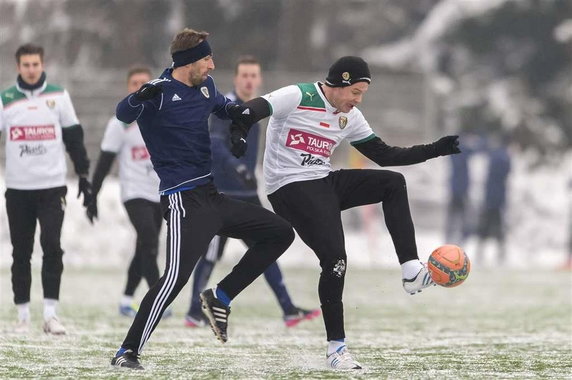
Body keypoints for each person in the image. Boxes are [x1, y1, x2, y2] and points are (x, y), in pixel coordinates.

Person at [229, 56, 461, 369]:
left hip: (322, 182)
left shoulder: (350, 117)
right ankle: (336, 350)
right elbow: (250, 110)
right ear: (339, 83)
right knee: (336, 259)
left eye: (362, 94)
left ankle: (410, 270)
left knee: (393, 184)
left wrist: (437, 148)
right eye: (355, 91)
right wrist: (239, 132)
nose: (358, 100)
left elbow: (385, 155)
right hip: (287, 187)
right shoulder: (299, 95)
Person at [110, 28, 294, 370]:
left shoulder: (207, 87)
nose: (212, 64)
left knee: (281, 232)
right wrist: (139, 96)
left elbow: (231, 111)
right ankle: (127, 351)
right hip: (183, 202)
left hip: (212, 196)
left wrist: (241, 130)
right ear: (188, 62)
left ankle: (219, 296)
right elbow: (122, 113)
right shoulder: (160, 93)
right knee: (174, 279)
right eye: (207, 58)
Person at [185, 55, 319, 328]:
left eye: (253, 75)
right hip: (220, 193)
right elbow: (216, 143)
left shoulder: (259, 108)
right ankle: (193, 313)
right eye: (244, 75)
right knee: (210, 254)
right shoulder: (227, 108)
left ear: (259, 80)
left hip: (247, 193)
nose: (248, 80)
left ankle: (288, 309)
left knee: (268, 246)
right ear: (236, 79)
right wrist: (238, 168)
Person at [0, 44, 92, 335]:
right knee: (21, 252)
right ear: (18, 67)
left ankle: (50, 315)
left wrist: (84, 174)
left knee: (52, 246)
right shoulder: (5, 99)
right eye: (25, 64)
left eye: (35, 64)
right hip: (18, 189)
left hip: (52, 188)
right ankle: (23, 316)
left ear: (42, 65)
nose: (30, 69)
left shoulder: (59, 96)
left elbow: (74, 138)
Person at [86, 66, 168, 318]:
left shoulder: (162, 119)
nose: (140, 87)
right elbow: (104, 161)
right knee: (149, 241)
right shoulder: (120, 123)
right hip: (134, 193)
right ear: (128, 88)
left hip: (160, 192)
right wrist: (93, 195)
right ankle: (158, 300)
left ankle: (126, 299)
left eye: (144, 83)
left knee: (145, 246)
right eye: (134, 83)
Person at [475, 134, 511, 264]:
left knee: (488, 227)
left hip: (493, 199)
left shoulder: (498, 156)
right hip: (496, 198)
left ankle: (489, 253)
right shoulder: (504, 156)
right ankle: (497, 254)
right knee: (495, 227)